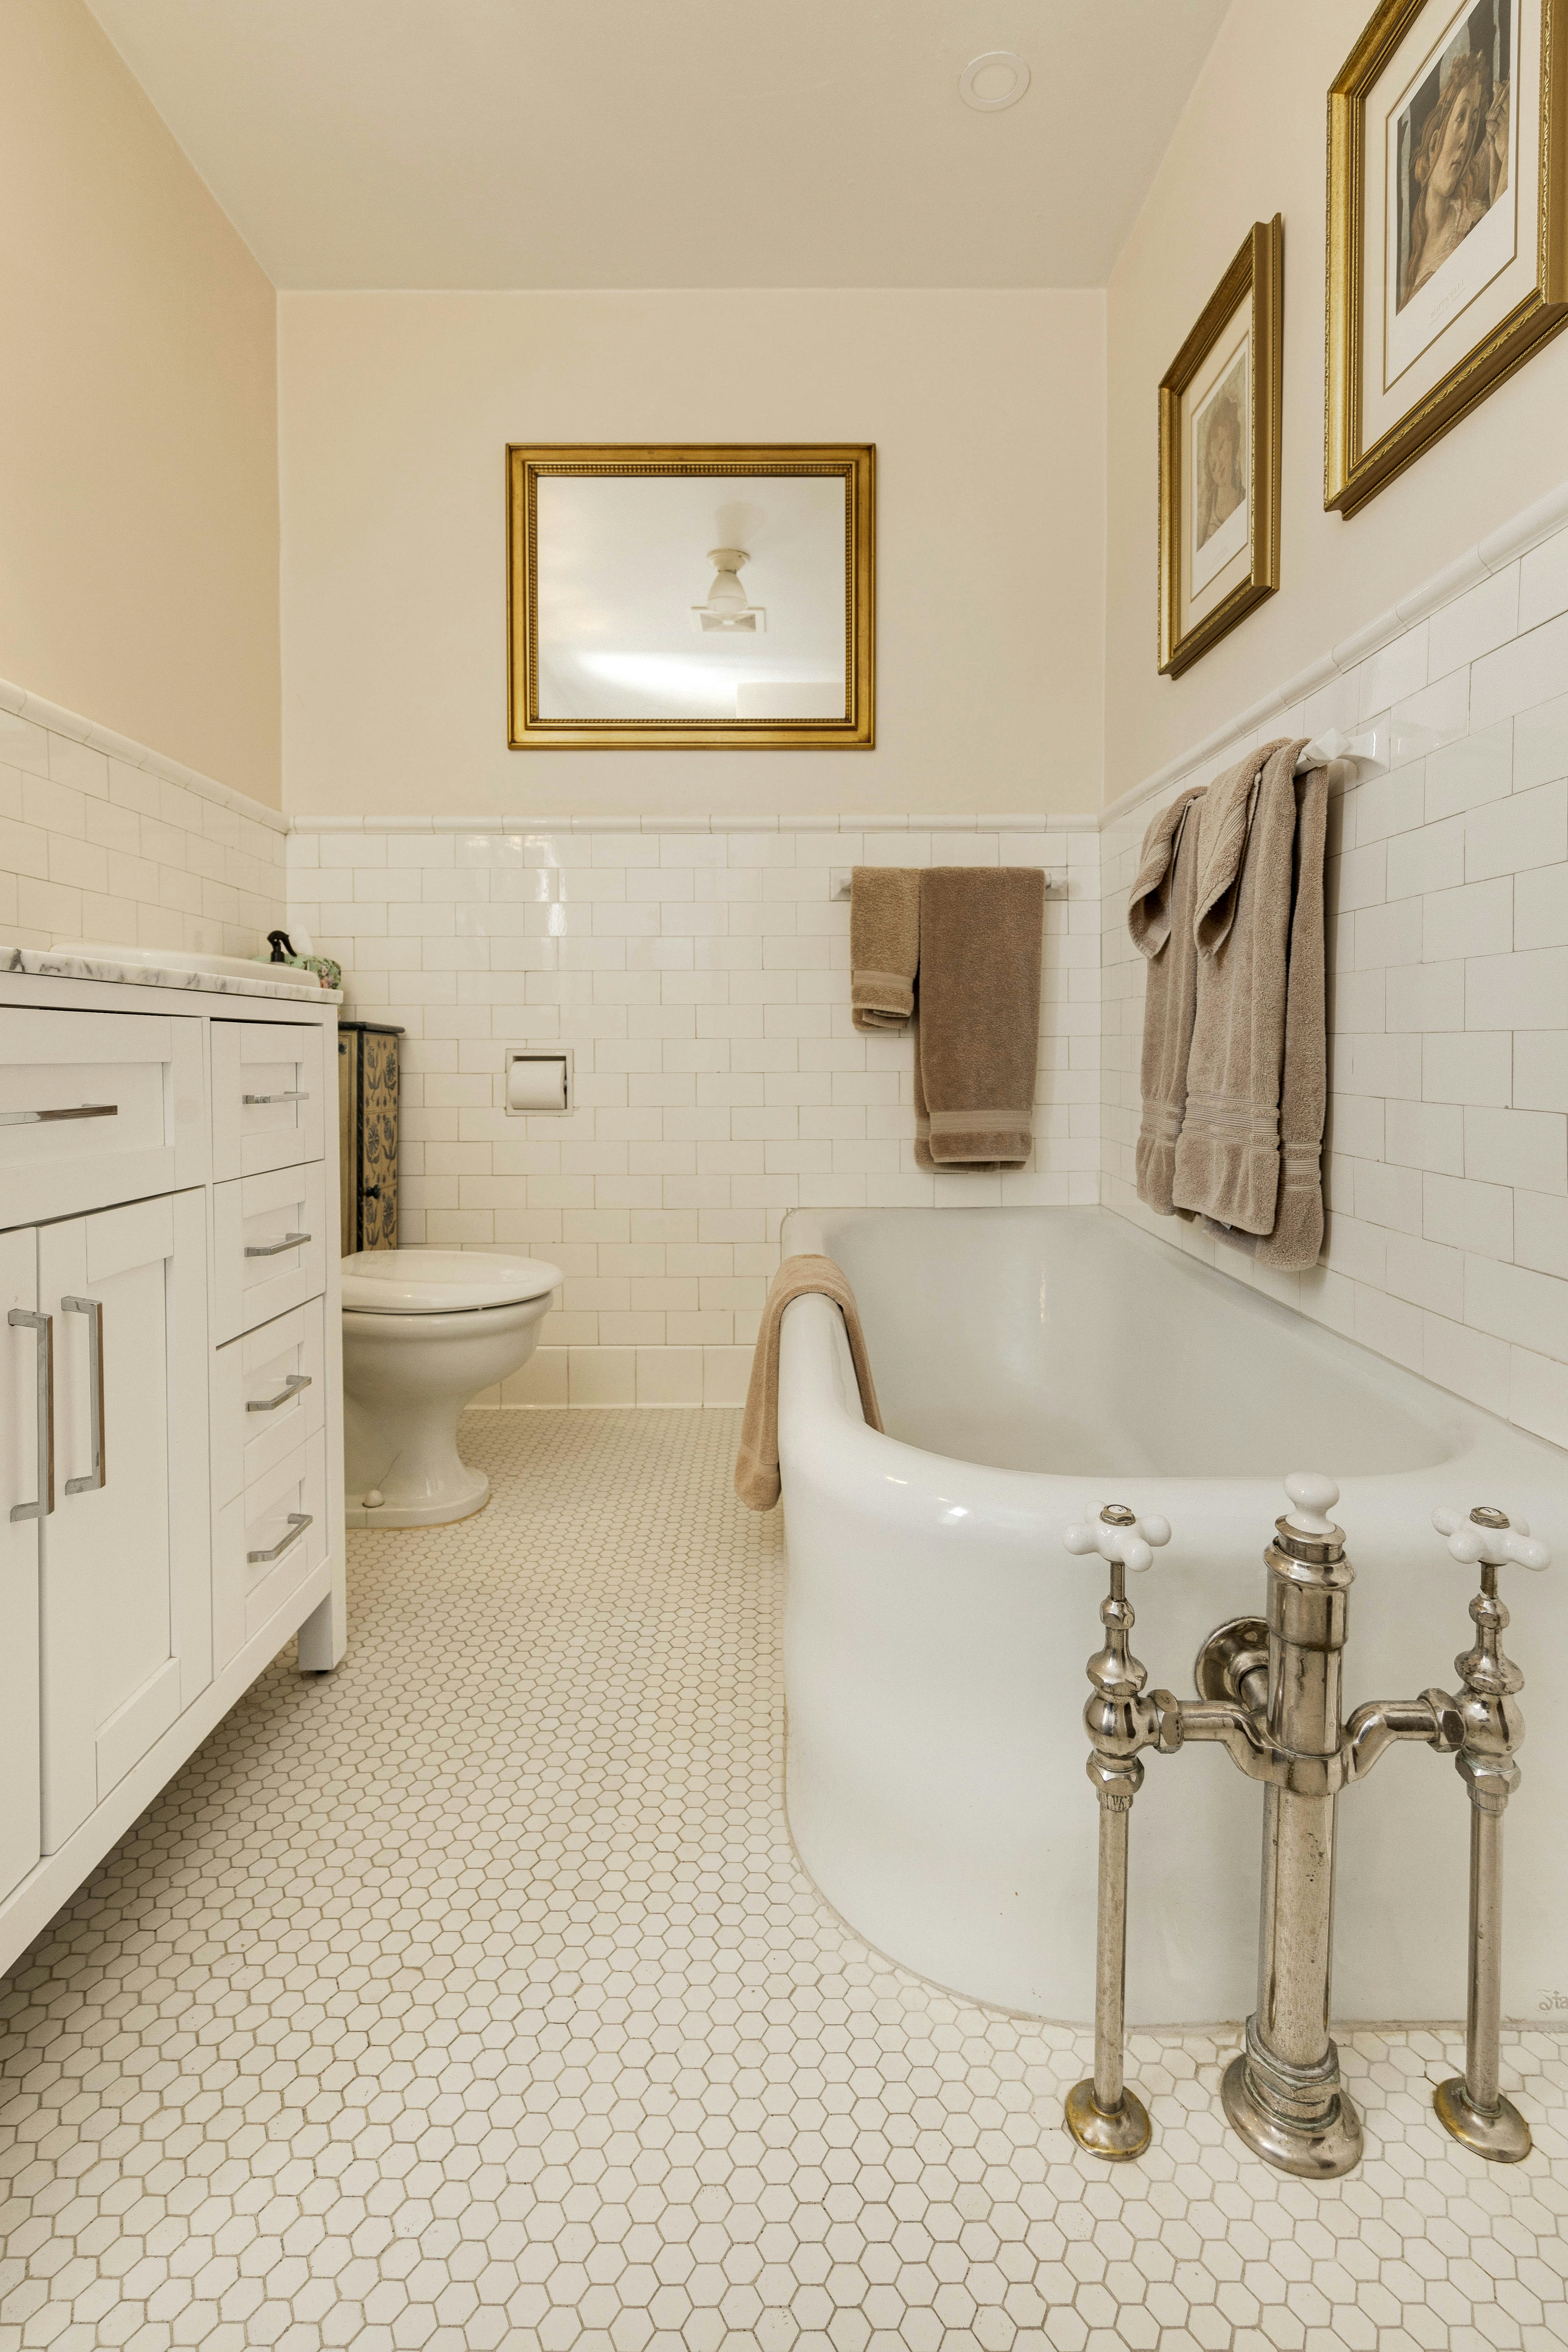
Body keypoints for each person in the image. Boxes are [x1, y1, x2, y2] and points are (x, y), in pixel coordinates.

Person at [1401, 45, 1508, 308]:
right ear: (1436, 139)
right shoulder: (1415, 261)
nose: (1466, 140)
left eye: (1473, 124)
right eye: (1460, 118)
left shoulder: (1469, 210)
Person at [1195, 383, 1244, 552]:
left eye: (1223, 446)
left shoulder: (1245, 501)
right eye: (1211, 454)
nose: (1217, 461)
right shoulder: (1205, 511)